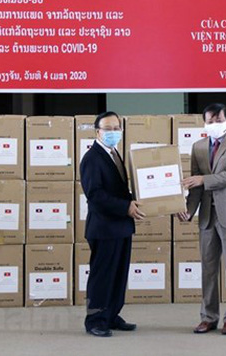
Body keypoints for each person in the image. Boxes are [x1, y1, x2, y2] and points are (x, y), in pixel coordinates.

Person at [175, 103, 226, 335]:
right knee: (208, 268)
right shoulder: (198, 147)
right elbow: (194, 187)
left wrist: (204, 180)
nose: (214, 125)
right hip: (207, 215)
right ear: (204, 123)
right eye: (210, 121)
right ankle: (208, 317)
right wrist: (188, 210)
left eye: (219, 120)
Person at [80, 111, 146, 337]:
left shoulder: (114, 153)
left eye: (116, 128)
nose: (113, 132)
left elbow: (117, 189)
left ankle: (111, 314)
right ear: (97, 131)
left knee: (119, 274)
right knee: (102, 276)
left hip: (121, 226)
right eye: (108, 129)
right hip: (104, 228)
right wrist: (125, 207)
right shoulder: (92, 158)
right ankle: (95, 320)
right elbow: (95, 195)